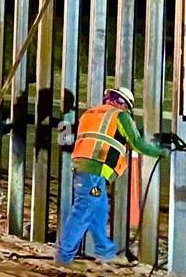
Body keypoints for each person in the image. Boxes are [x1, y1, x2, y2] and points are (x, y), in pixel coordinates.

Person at [56, 85, 168, 266]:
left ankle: (106, 252)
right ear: (124, 104)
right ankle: (64, 256)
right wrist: (159, 151)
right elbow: (137, 143)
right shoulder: (120, 116)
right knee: (83, 212)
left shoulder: (90, 114)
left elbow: (72, 136)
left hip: (84, 168)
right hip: (95, 171)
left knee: (99, 212)